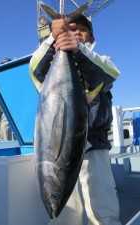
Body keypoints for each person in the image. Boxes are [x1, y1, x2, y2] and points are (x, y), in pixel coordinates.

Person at [29, 14, 121, 225]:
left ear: (90, 37)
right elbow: (33, 70)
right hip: (59, 150)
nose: (76, 32)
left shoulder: (102, 61)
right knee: (65, 216)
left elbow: (110, 74)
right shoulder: (51, 59)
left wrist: (79, 52)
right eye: (72, 28)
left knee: (102, 210)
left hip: (94, 147)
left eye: (82, 30)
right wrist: (53, 39)